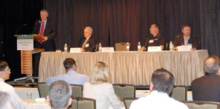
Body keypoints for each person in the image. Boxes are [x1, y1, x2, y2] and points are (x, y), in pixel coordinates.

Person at [32, 9, 57, 77]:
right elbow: (34, 32)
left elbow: (54, 33)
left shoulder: (51, 22)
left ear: (47, 15)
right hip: (39, 45)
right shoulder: (37, 22)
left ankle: (50, 76)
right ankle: (36, 77)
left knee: (48, 61)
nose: (42, 16)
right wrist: (35, 36)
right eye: (41, 15)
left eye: (44, 15)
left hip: (48, 45)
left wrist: (47, 37)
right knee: (37, 61)